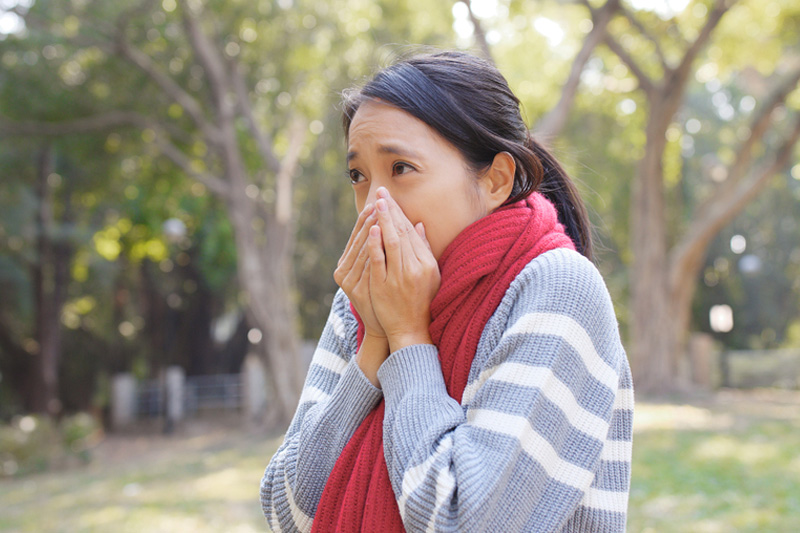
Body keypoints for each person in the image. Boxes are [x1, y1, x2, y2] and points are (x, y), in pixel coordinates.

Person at [260, 50, 633, 533]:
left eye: (401, 168)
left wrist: (408, 336)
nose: (375, 204)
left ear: (495, 179)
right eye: (358, 176)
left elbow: (466, 520)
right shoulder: (359, 303)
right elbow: (286, 514)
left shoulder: (558, 288)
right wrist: (375, 342)